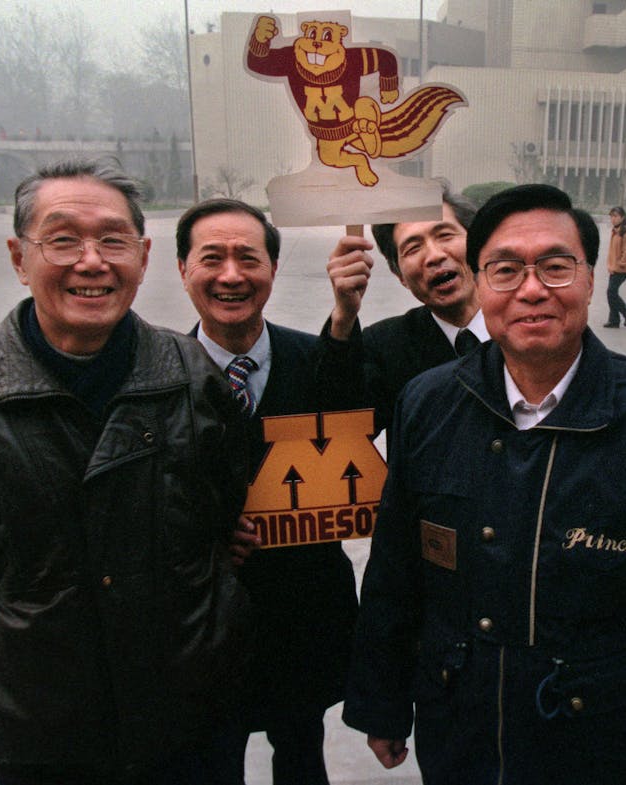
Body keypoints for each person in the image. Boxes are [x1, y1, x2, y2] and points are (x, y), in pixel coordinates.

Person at [344, 184, 626, 784]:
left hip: (597, 736)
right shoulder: (428, 401)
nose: (531, 289)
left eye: (555, 267)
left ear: (590, 277)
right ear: (480, 280)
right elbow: (396, 566)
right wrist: (383, 699)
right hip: (460, 724)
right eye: (504, 270)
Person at [0, 159, 254, 783]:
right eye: (62, 240)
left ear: (142, 255)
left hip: (188, 713)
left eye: (113, 240)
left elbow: (223, 509)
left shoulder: (195, 377)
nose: (91, 262)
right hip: (37, 725)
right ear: (18, 257)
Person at [175, 197, 359, 784]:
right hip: (200, 627)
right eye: (212, 258)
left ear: (273, 270)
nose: (232, 275)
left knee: (303, 754)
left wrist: (346, 316)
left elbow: (359, 434)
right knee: (212, 759)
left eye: (248, 258)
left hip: (302, 619)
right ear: (183, 270)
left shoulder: (318, 358)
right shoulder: (156, 377)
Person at [316, 185, 486, 436]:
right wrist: (344, 316)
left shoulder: (527, 325)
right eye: (413, 248)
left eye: (445, 235)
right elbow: (341, 428)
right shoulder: (385, 346)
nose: (434, 255)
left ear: (480, 247)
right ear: (400, 276)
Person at [602, 205, 626, 327]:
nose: (613, 219)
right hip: (613, 268)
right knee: (612, 293)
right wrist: (610, 265)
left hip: (621, 269)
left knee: (611, 292)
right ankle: (614, 320)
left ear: (622, 217)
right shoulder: (615, 231)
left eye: (616, 216)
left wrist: (620, 264)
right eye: (611, 216)